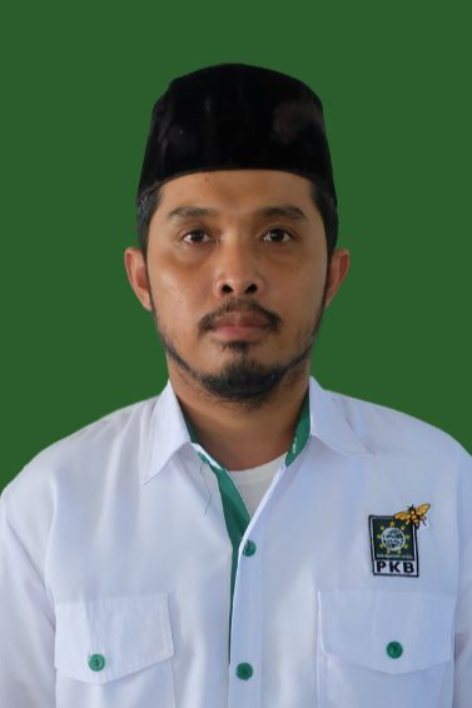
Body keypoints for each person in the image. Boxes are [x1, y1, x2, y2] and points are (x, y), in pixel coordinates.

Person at [0, 62, 470, 708]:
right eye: (196, 236)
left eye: (277, 235)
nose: (237, 274)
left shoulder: (444, 489)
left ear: (332, 276)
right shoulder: (47, 508)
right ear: (141, 278)